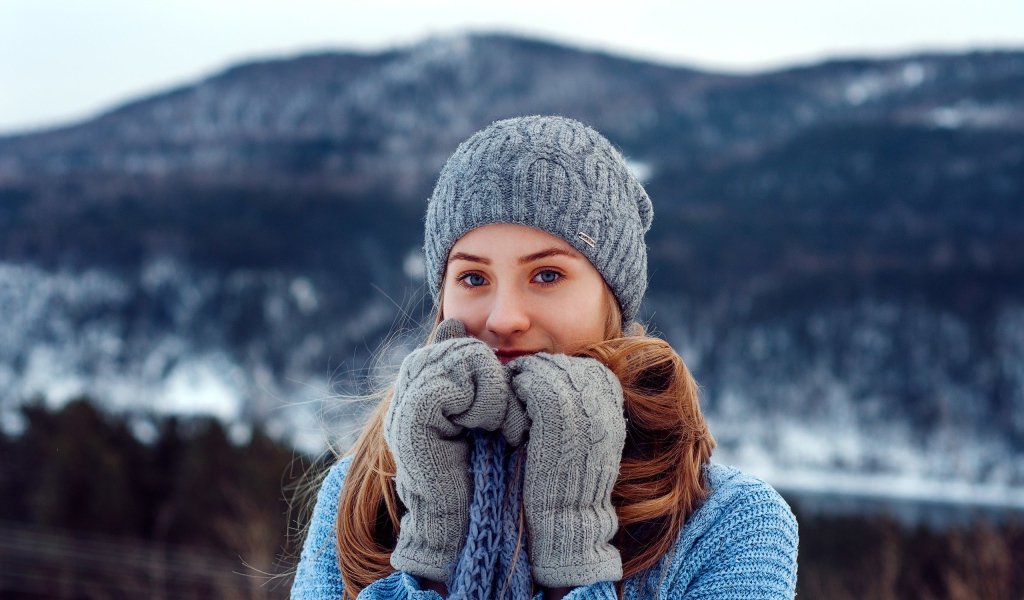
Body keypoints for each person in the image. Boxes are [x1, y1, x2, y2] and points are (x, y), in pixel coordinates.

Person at [290, 116, 798, 600]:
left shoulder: (729, 522)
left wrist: (572, 554)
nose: (504, 317)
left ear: (612, 300)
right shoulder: (358, 494)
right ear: (442, 297)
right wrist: (434, 548)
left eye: (547, 275)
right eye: (473, 278)